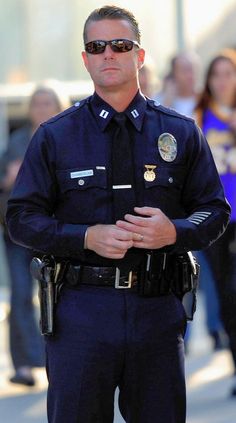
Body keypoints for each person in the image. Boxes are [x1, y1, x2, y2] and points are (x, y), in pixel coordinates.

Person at [6, 5, 230, 423]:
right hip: (81, 314)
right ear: (85, 59)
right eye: (97, 46)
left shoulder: (180, 132)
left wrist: (175, 233)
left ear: (139, 56)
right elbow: (20, 218)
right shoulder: (56, 136)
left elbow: (215, 211)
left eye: (120, 45)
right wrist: (84, 237)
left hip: (158, 312)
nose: (109, 53)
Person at [0, 84, 69, 386]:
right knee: (19, 294)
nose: (41, 108)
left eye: (48, 103)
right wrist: (8, 180)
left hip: (53, 229)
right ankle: (24, 364)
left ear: (59, 106)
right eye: (37, 103)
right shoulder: (16, 142)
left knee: (59, 295)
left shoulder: (66, 139)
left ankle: (60, 358)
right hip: (17, 230)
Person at [195, 48, 236, 396]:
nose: (223, 81)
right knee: (226, 297)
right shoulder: (199, 117)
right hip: (218, 220)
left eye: (229, 73)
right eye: (216, 75)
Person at [155, 51, 201, 117]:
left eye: (192, 69)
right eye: (184, 70)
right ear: (173, 74)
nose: (190, 75)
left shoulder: (207, 98)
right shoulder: (158, 101)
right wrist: (168, 101)